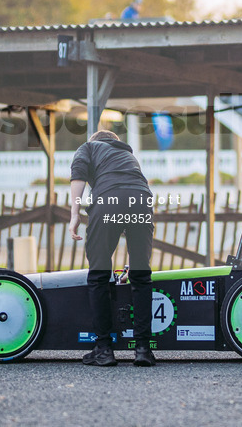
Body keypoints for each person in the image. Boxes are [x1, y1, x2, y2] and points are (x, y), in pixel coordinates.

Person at [68, 130, 155, 367]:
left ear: (96, 140)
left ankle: (104, 349)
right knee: (141, 275)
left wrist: (75, 213)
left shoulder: (88, 147)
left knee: (99, 275)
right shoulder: (128, 157)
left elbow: (78, 177)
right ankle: (143, 349)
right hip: (140, 200)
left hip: (108, 201)